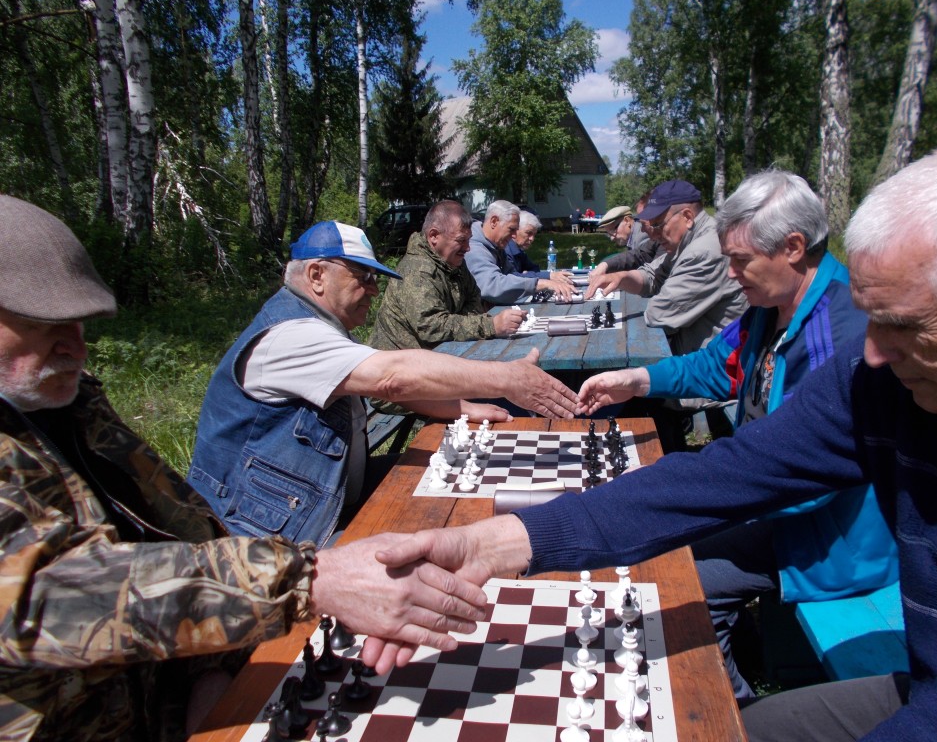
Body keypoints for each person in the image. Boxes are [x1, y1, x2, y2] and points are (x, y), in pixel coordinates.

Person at [375, 145, 937, 740]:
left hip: (842, 567)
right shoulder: (876, 378)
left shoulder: (847, 345)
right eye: (874, 317)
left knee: (677, 577)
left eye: (905, 325)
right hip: (933, 673)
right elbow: (728, 469)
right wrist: (489, 543)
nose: (875, 351)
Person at [0, 195, 489, 742]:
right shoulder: (286, 332)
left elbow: (174, 528)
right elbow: (38, 598)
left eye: (80, 323)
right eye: (41, 323)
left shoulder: (65, 402)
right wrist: (306, 581)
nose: (75, 346)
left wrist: (211, 662)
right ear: (318, 276)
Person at [577, 169, 898, 699]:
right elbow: (714, 368)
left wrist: (707, 497)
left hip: (829, 535)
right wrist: (636, 380)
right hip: (778, 504)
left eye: (741, 261)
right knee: (667, 549)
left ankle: (731, 716)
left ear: (793, 247)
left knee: (680, 580)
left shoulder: (839, 336)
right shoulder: (770, 309)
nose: (730, 275)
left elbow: (801, 481)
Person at [188, 219, 578, 548]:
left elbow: (376, 385)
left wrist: (464, 408)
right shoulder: (289, 337)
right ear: (316, 275)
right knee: (437, 542)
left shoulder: (317, 326)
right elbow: (391, 378)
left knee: (472, 479)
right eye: (363, 277)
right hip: (268, 538)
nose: (374, 290)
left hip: (325, 493)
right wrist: (506, 378)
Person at [585, 179, 747, 358]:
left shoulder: (702, 251)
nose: (653, 234)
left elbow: (658, 314)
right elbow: (652, 275)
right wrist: (620, 278)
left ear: (687, 217)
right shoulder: (689, 240)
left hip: (711, 368)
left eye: (658, 225)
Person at [369, 200, 525, 351]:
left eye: (468, 240)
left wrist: (461, 323)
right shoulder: (416, 270)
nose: (467, 248)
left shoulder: (452, 260)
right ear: (434, 236)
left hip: (435, 355)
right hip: (396, 366)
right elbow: (431, 328)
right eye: (460, 240)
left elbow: (474, 298)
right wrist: (491, 326)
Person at [465, 200, 576, 304]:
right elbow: (492, 285)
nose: (514, 235)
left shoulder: (496, 244)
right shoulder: (474, 248)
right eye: (511, 229)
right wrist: (542, 283)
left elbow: (511, 275)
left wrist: (543, 281)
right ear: (494, 222)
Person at [506, 210, 544, 275]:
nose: (532, 239)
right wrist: (527, 276)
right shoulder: (506, 251)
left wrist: (528, 274)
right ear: (515, 230)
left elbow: (535, 268)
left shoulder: (519, 250)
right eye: (528, 233)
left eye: (534, 235)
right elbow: (514, 279)